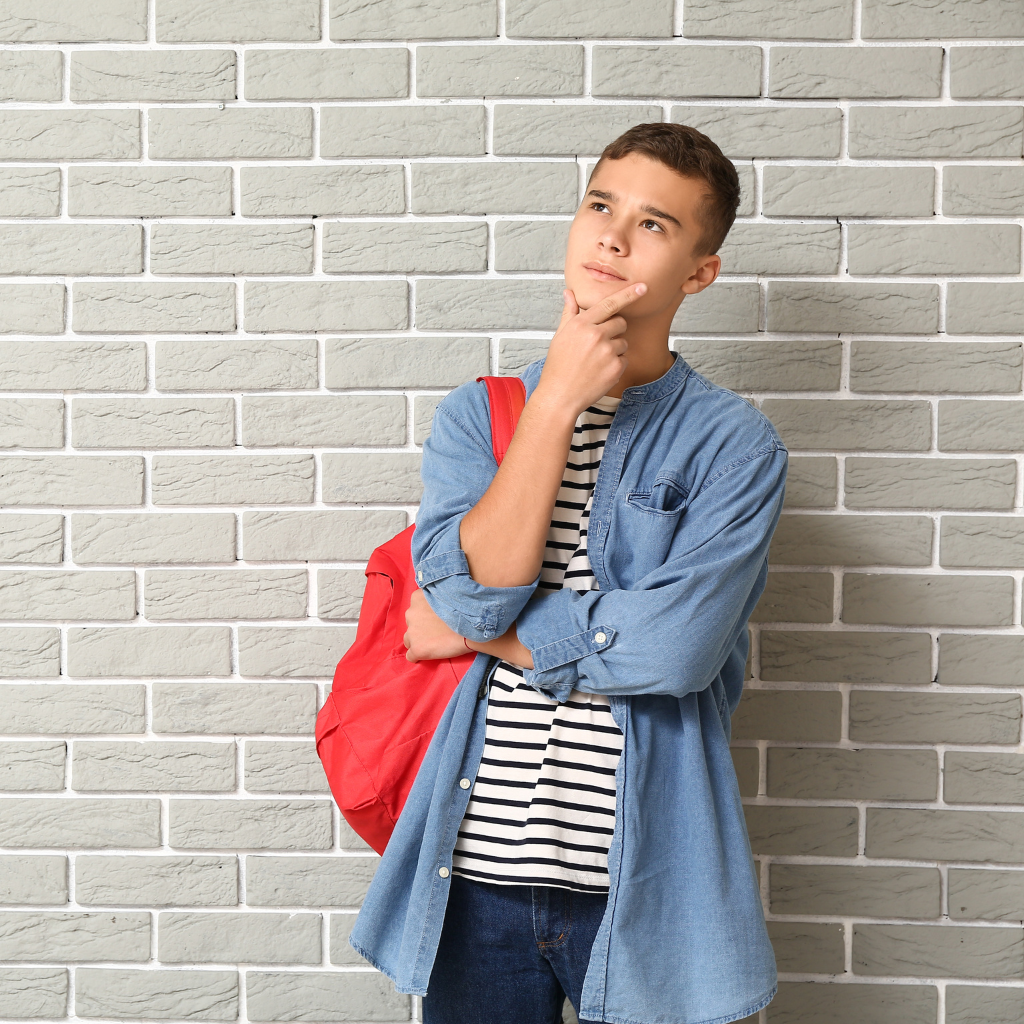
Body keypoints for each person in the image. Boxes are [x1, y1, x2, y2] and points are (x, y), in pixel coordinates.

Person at [349, 122, 788, 1024]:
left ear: (700, 272)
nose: (613, 238)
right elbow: (474, 589)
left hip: (645, 885)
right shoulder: (482, 418)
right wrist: (553, 403)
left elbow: (674, 651)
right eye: (599, 206)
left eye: (654, 224)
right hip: (470, 877)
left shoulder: (734, 446)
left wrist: (486, 636)